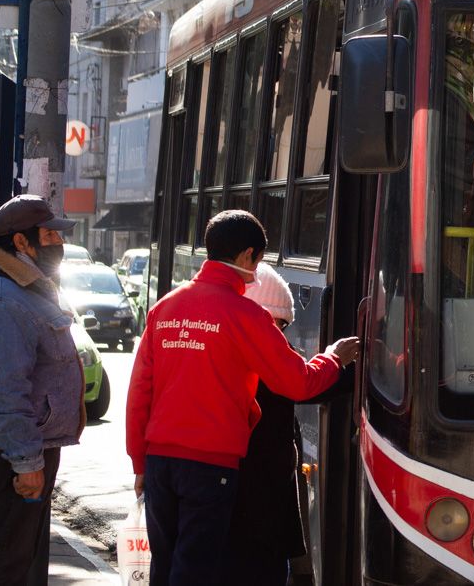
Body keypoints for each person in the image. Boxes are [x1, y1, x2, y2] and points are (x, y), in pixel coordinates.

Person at [126, 210, 359, 586]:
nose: (256, 271)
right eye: (258, 261)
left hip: (159, 464)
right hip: (209, 466)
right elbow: (298, 383)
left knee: (164, 569)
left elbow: (139, 395)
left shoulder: (165, 308)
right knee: (194, 571)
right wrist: (333, 359)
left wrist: (140, 463)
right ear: (248, 255)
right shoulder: (246, 315)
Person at [0, 194, 83, 585]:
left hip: (25, 447)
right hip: (10, 455)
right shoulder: (3, 301)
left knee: (18, 561)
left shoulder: (25, 287)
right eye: (50, 234)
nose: (59, 242)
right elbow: (1, 393)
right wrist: (26, 463)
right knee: (6, 564)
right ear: (21, 241)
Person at [224, 262, 308, 584]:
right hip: (258, 507)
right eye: (277, 325)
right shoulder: (263, 360)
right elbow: (305, 381)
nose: (281, 336)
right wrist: (336, 361)